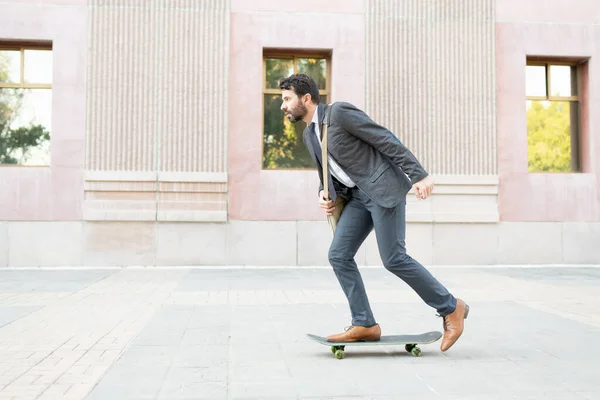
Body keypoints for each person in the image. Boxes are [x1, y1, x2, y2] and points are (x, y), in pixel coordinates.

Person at [278, 74, 469, 352]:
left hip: (383, 190)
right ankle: (365, 323)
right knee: (338, 255)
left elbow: (384, 139)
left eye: (286, 99)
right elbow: (331, 172)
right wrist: (325, 192)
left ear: (306, 98)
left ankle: (451, 307)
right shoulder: (310, 134)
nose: (283, 106)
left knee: (393, 259)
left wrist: (418, 174)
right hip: (356, 198)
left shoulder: (340, 113)